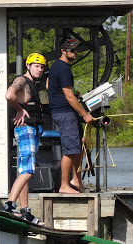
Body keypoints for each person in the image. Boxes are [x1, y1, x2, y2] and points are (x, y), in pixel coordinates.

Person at [47, 38, 94, 194]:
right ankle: (64, 185)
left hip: (64, 111)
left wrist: (71, 92)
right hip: (65, 113)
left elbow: (48, 85)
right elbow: (68, 97)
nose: (76, 52)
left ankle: (76, 181)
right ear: (63, 51)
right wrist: (85, 114)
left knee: (78, 146)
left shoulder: (57, 66)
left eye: (76, 49)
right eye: (72, 50)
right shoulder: (63, 68)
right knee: (71, 150)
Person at [3, 52, 46, 225]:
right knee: (28, 170)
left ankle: (25, 210)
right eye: (36, 66)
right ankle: (9, 205)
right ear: (28, 66)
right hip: (26, 129)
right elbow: (9, 95)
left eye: (42, 66)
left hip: (31, 130)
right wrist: (19, 109)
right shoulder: (21, 80)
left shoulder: (34, 85)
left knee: (24, 171)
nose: (39, 69)